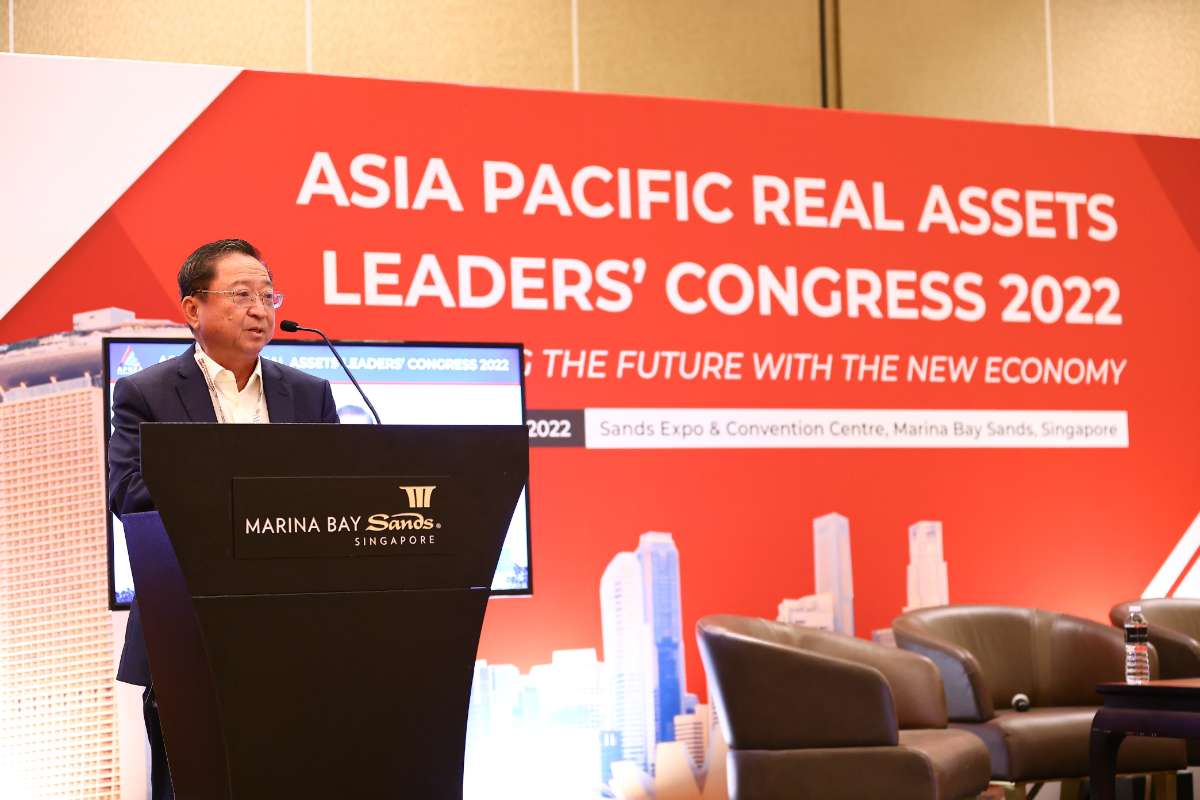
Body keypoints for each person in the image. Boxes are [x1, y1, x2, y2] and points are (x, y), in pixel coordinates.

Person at [108, 239, 339, 799]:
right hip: (186, 630)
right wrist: (237, 495)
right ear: (193, 308)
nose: (260, 309)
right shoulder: (146, 393)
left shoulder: (309, 394)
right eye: (241, 295)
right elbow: (129, 494)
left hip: (293, 632)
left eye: (268, 296)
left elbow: (336, 494)